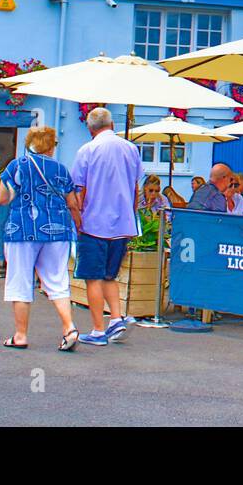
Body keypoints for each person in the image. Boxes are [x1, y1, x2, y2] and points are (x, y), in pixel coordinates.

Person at [0, 126, 80, 352]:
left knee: (20, 280)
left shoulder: (17, 165)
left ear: (30, 144)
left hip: (22, 229)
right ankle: (69, 328)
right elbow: (73, 203)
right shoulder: (62, 170)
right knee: (57, 280)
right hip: (57, 230)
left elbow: (1, 198)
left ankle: (20, 335)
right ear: (52, 146)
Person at [68, 107, 142, 346]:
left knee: (93, 277)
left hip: (94, 222)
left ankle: (99, 329)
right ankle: (116, 318)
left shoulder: (87, 150)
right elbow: (135, 188)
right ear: (112, 125)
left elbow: (79, 187)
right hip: (122, 222)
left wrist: (77, 216)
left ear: (90, 128)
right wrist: (132, 214)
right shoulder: (131, 148)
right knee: (110, 274)